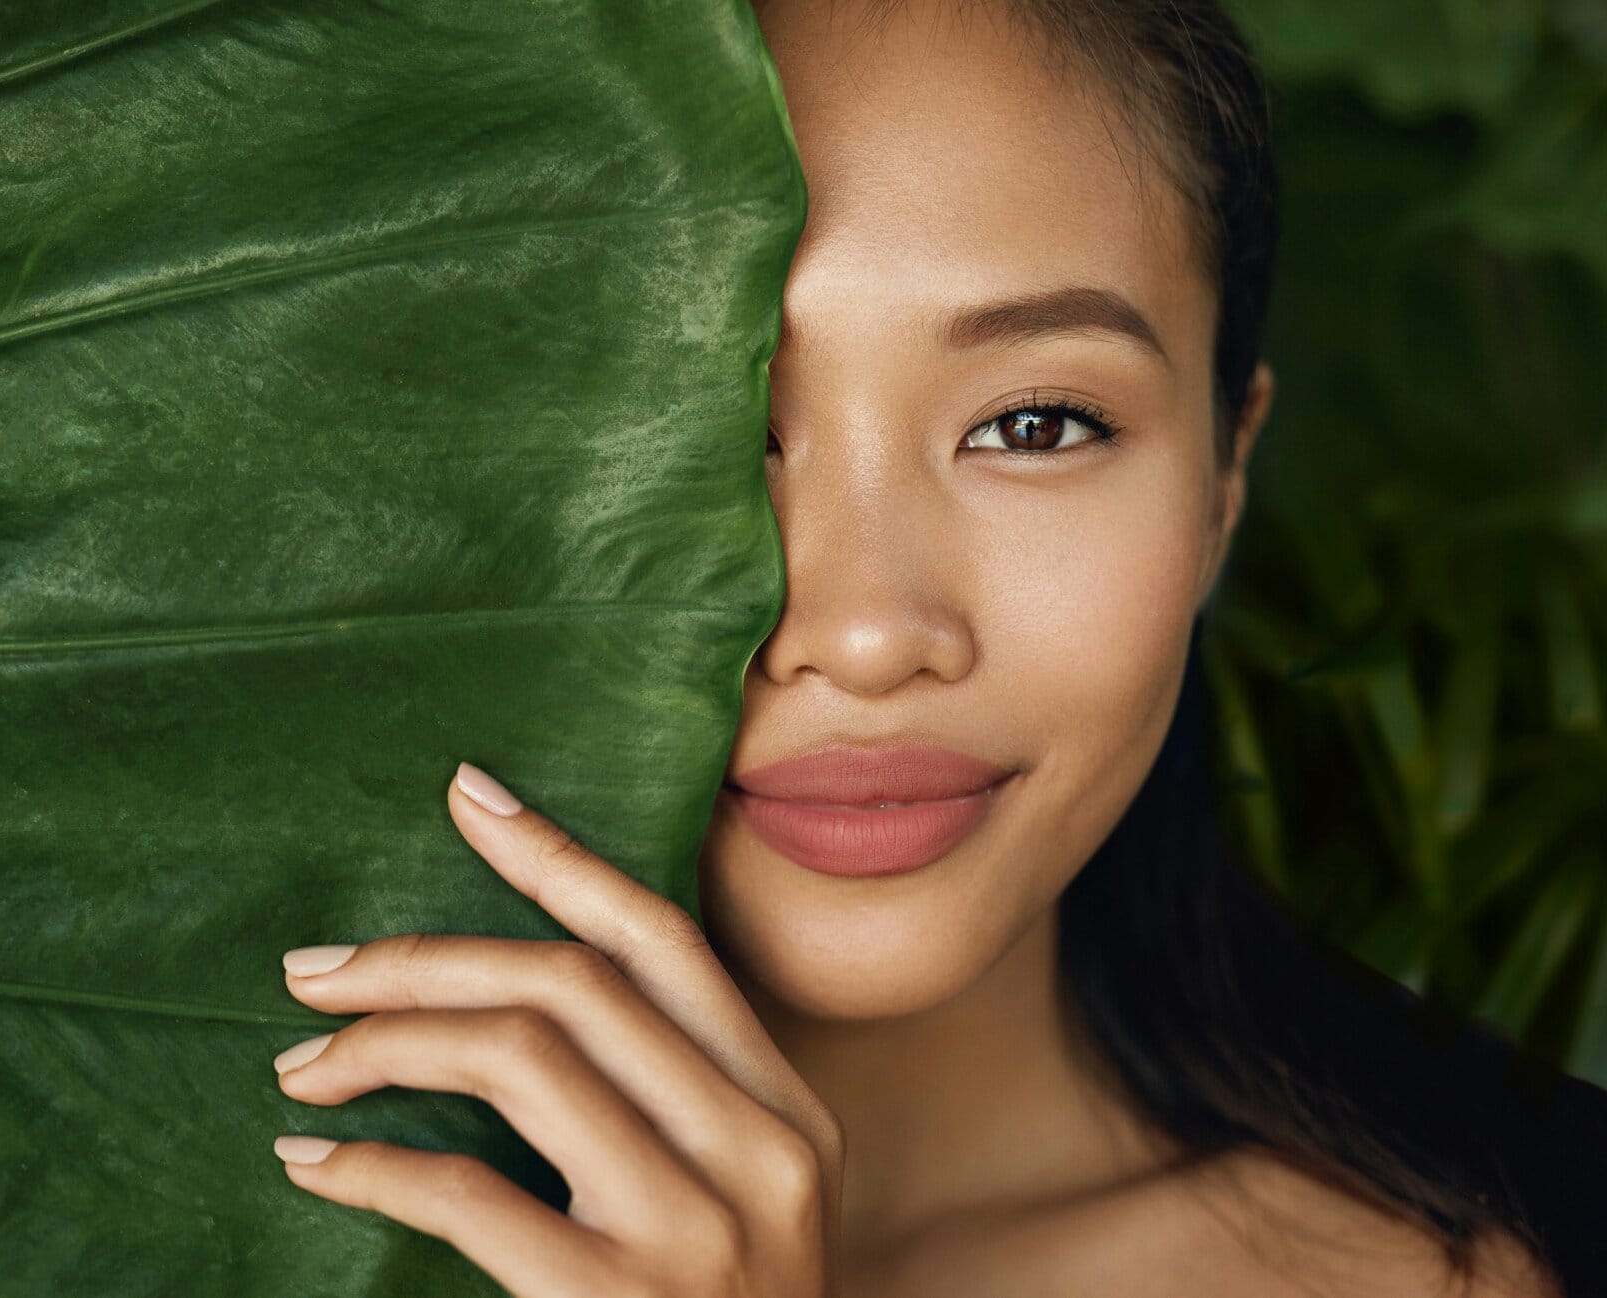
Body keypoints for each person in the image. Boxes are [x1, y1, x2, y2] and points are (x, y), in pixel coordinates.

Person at [269, 0, 1606, 1294]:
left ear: (1223, 481)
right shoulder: (134, 1199)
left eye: (1034, 425)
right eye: (705, 431)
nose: (863, 635)